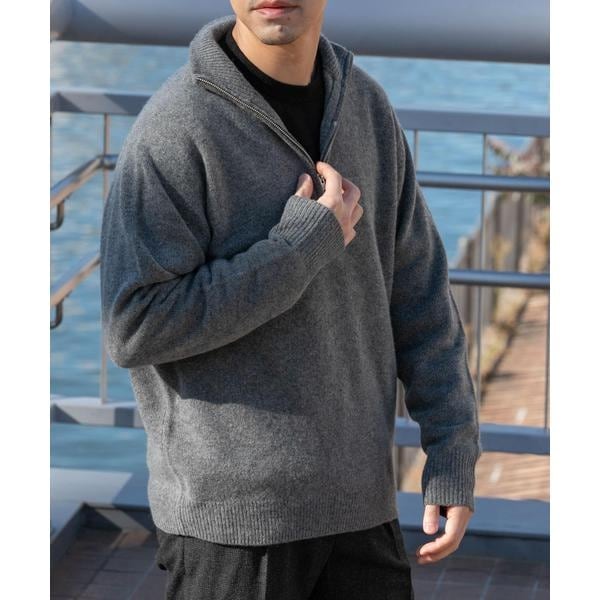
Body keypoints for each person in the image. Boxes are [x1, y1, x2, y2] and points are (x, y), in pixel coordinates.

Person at [99, 1, 483, 598]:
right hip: (232, 531)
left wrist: (452, 449)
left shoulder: (366, 107)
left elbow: (420, 293)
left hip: (362, 508)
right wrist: (299, 249)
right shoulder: (176, 126)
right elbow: (135, 325)